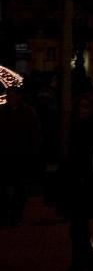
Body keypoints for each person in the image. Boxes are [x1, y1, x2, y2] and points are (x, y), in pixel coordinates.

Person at [58, 91, 93, 271]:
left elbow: (89, 157)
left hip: (84, 182)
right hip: (80, 181)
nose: (82, 111)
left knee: (79, 227)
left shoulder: (92, 127)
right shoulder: (83, 125)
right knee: (78, 227)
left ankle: (89, 265)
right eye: (80, 107)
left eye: (86, 107)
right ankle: (79, 266)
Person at [0, 86, 41, 226]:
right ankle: (6, 212)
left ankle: (16, 213)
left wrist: (31, 151)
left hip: (20, 154)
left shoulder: (27, 112)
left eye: (13, 95)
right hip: (5, 153)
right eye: (9, 96)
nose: (11, 98)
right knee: (5, 185)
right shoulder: (3, 112)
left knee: (19, 185)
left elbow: (33, 134)